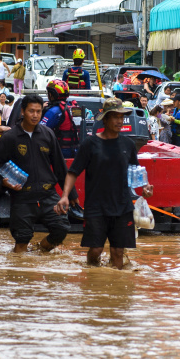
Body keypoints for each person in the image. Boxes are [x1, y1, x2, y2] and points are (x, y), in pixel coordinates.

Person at [58, 98, 154, 269]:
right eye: (115, 117)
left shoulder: (128, 145)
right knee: (95, 249)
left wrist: (145, 188)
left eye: (121, 117)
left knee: (118, 252)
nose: (119, 121)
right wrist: (65, 196)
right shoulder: (90, 144)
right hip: (96, 207)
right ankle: (93, 279)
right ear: (105, 119)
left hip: (123, 206)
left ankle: (115, 289)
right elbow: (73, 172)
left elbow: (136, 173)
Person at [0, 94, 71, 253]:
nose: (35, 115)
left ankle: (41, 249)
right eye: (31, 111)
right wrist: (3, 181)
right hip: (22, 197)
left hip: (48, 195)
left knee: (61, 228)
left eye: (39, 111)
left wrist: (70, 195)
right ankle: (20, 270)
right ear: (23, 112)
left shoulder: (48, 134)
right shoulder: (10, 137)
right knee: (22, 239)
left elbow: (60, 166)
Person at [40, 80, 80, 158]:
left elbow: (40, 129)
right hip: (75, 150)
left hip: (59, 151)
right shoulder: (74, 107)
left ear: (51, 94)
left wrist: (40, 110)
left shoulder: (53, 111)